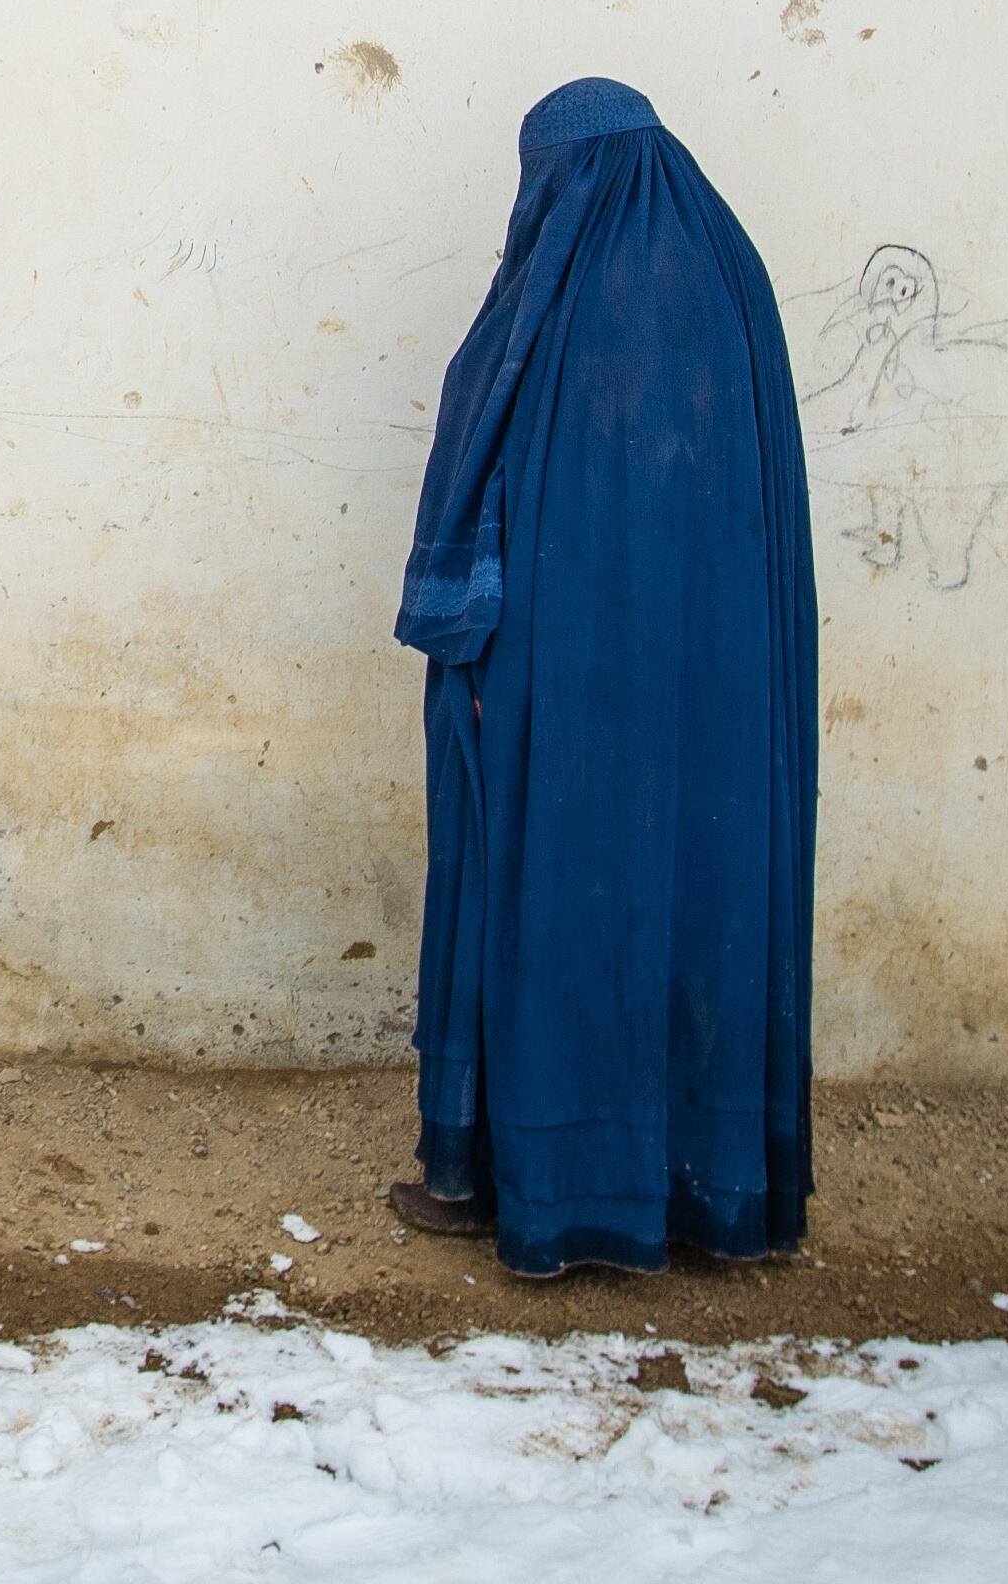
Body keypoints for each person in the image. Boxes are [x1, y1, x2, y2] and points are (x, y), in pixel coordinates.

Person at [381, 78, 817, 1275]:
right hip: (715, 705)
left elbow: (482, 478)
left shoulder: (557, 305)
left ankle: (516, 1182)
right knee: (695, 905)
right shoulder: (734, 286)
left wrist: (466, 649)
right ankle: (708, 1194)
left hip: (549, 698)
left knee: (536, 906)